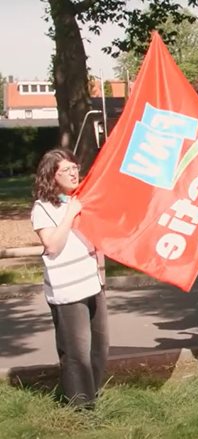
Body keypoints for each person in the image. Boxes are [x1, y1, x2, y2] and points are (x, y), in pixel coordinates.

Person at [32, 149, 107, 407]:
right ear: (52, 176)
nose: (74, 173)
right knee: (77, 353)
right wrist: (70, 214)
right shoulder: (43, 208)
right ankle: (81, 407)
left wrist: (102, 274)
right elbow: (52, 245)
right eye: (67, 170)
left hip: (92, 284)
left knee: (100, 348)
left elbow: (97, 240)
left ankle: (93, 395)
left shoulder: (82, 200)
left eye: (75, 167)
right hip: (67, 291)